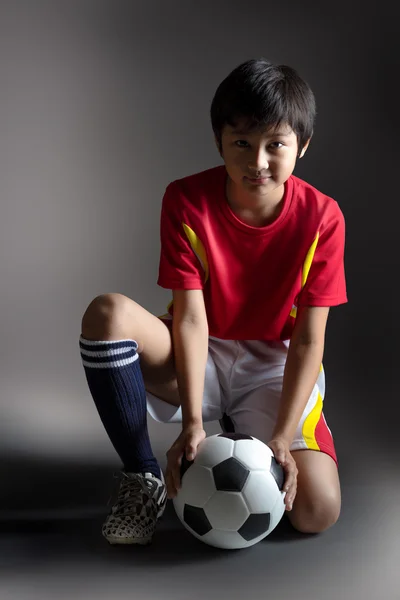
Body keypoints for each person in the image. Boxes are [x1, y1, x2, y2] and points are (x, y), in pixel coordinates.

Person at [79, 58, 347, 545]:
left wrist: (282, 441)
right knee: (108, 313)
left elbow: (309, 339)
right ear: (219, 140)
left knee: (317, 510)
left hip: (273, 363)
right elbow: (192, 318)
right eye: (241, 142)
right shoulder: (185, 200)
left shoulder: (323, 218)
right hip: (199, 352)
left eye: (276, 145)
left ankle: (256, 422)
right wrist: (195, 424)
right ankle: (142, 476)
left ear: (302, 146)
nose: (257, 161)